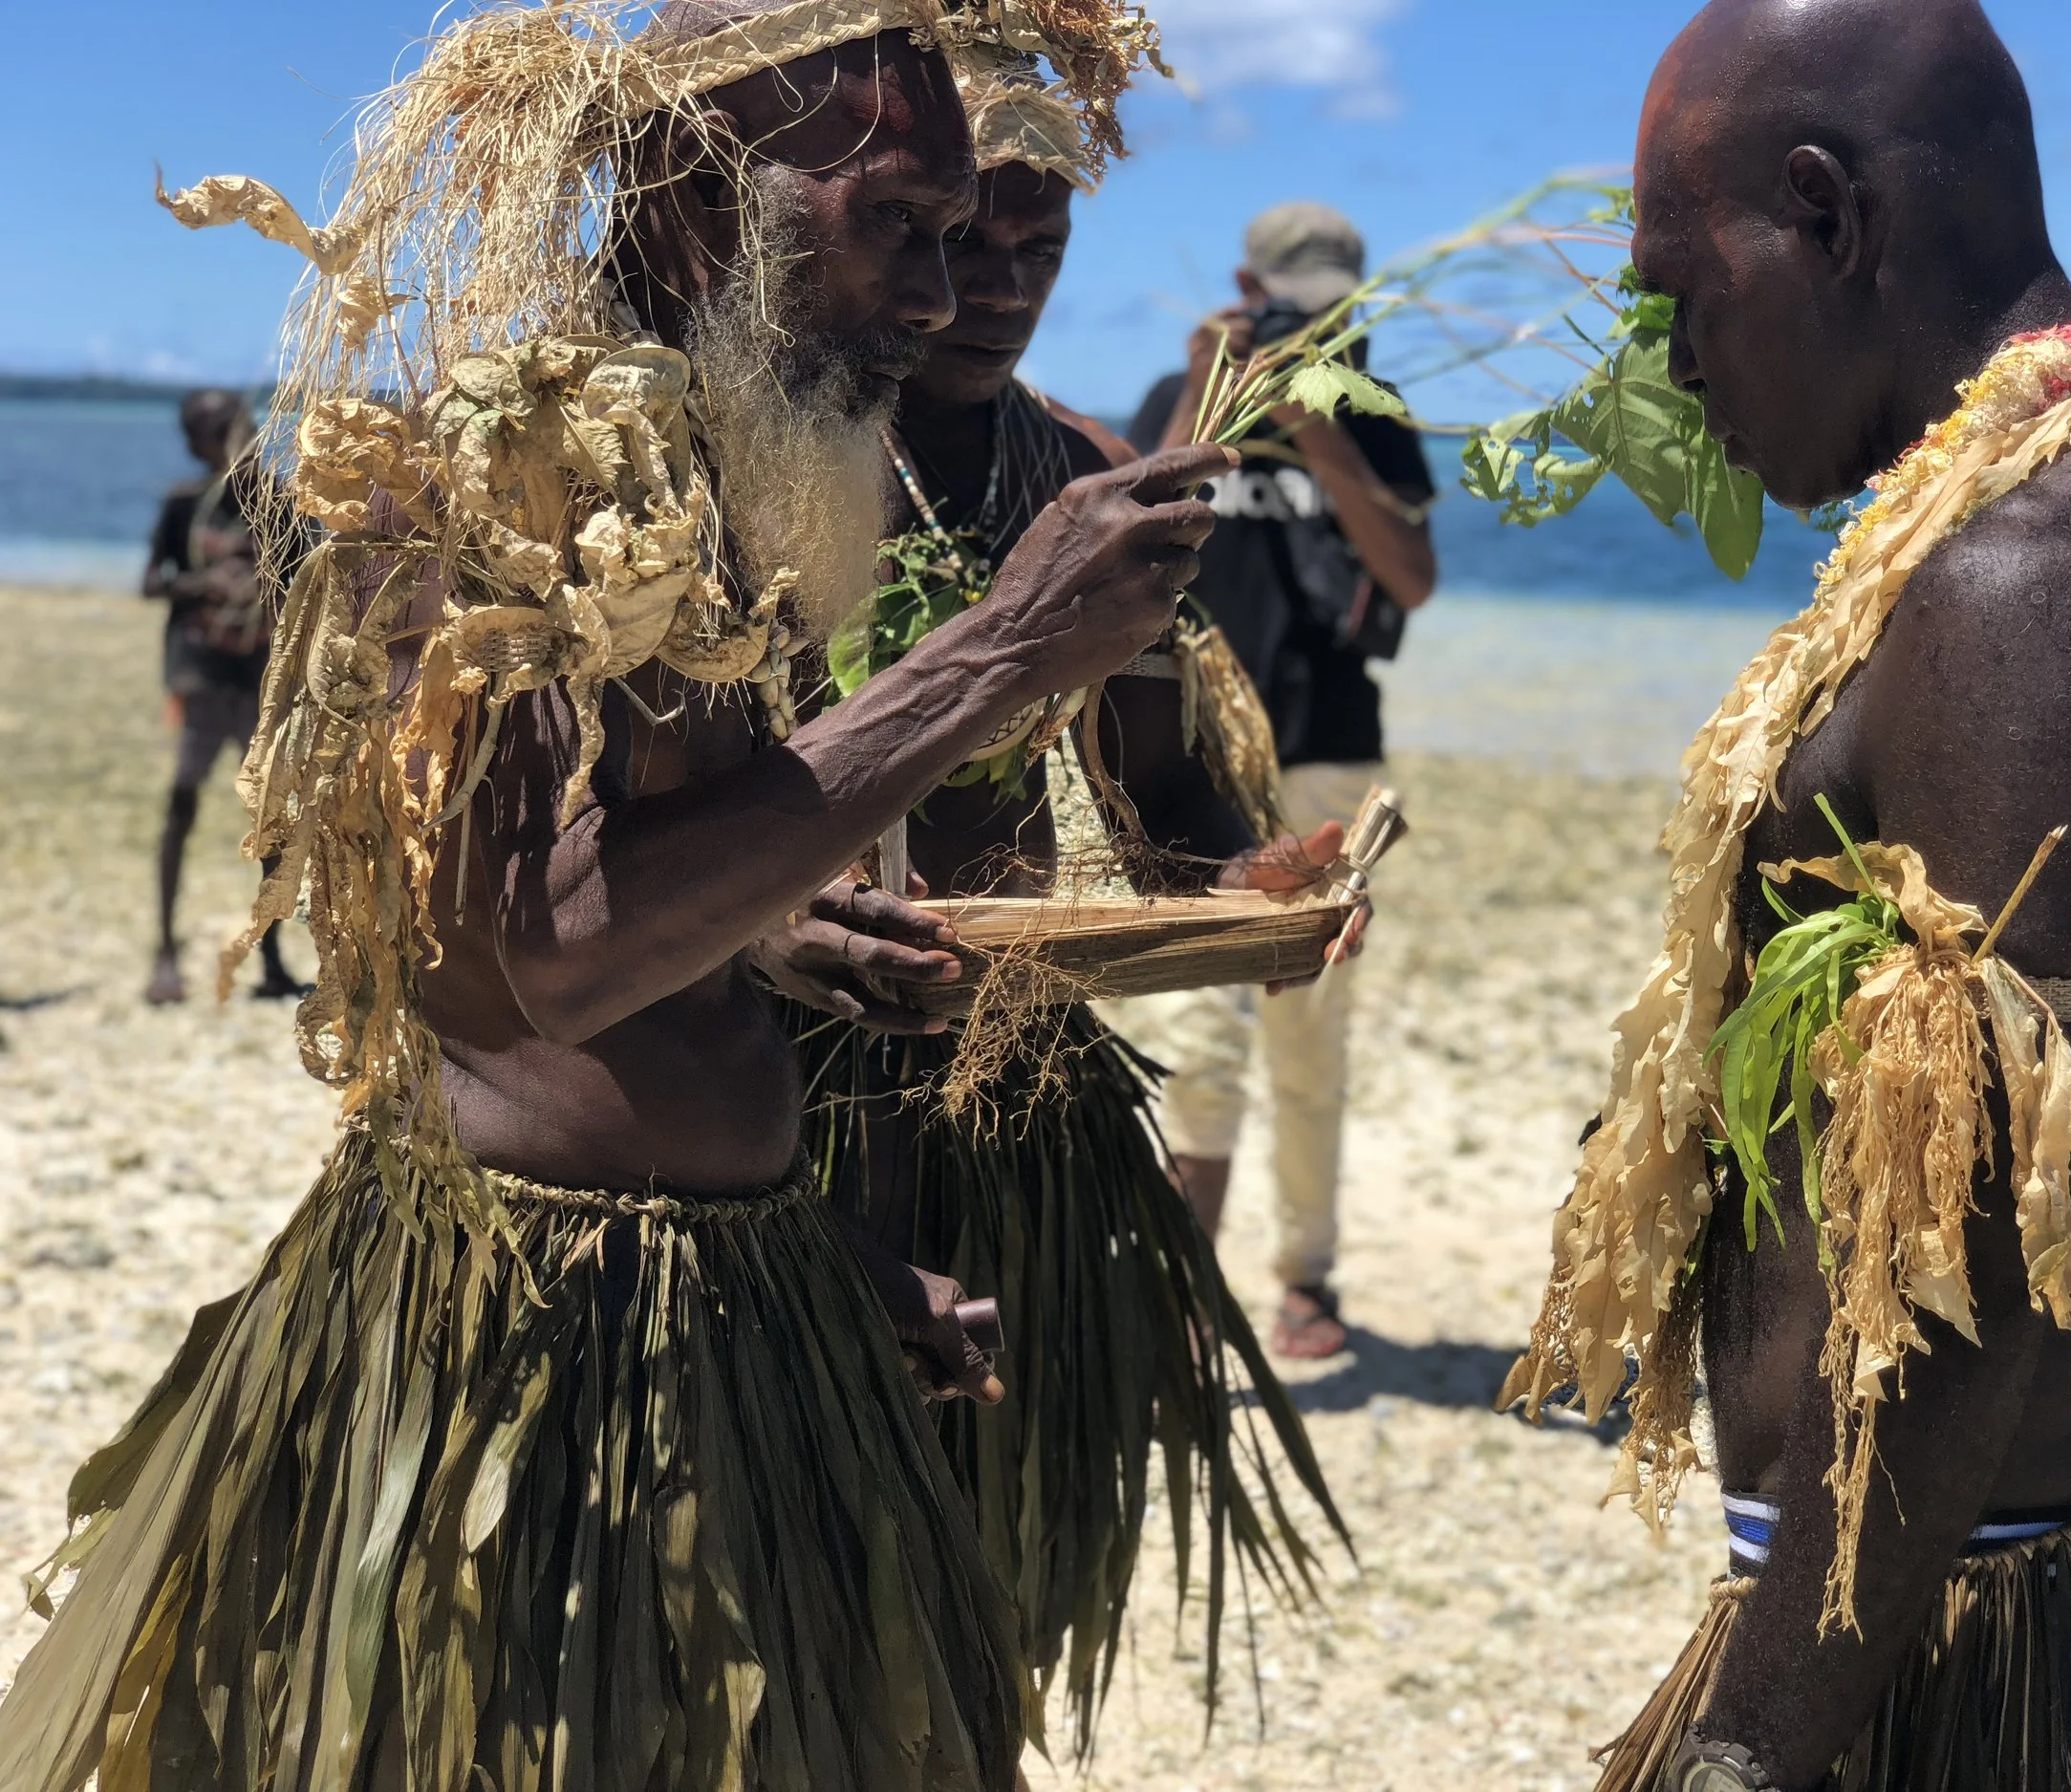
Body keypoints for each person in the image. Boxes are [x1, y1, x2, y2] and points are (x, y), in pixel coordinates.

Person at [0, 4, 1216, 1787]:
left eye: (960, 236)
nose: (943, 295)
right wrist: (998, 650)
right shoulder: (494, 476)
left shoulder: (725, 475)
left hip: (737, 1297)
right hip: (536, 1359)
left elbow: (631, 919)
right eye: (894, 222)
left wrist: (826, 1237)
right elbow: (542, 964)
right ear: (690, 194)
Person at [1500, 2, 2071, 1787]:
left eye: (1683, 296)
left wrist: (1747, 1752)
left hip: (1982, 1630)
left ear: (1829, 218)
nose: (1674, 364)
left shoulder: (2027, 580)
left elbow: (1969, 1261)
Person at [771, 67, 1345, 1755]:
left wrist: (1257, 892)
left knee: (982, 1564)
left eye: (1044, 250)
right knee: (780, 1571)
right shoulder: (766, 454)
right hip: (769, 1094)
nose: (1000, 288)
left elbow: (1168, 817)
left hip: (1015, 1098)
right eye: (969, 243)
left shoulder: (1093, 479)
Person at [1111, 201, 1438, 1357]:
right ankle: (1182, 1295)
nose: (1317, 331)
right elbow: (1127, 532)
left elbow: (1410, 577)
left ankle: (1306, 1274)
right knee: (1195, 1036)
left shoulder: (1372, 413)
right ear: (1249, 290)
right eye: (1298, 310)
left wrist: (1316, 425)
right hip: (1192, 759)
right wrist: (1211, 392)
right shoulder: (1185, 392)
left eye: (1336, 312)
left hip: (1327, 754)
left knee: (1310, 1034)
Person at [138, 388, 303, 1004]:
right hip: (201, 679)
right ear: (196, 444)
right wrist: (205, 583)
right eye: (222, 430)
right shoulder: (186, 504)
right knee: (183, 804)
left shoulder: (280, 502)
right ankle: (165, 953)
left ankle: (273, 957)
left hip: (262, 682)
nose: (241, 438)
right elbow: (152, 582)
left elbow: (308, 582)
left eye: (244, 424)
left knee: (269, 820)